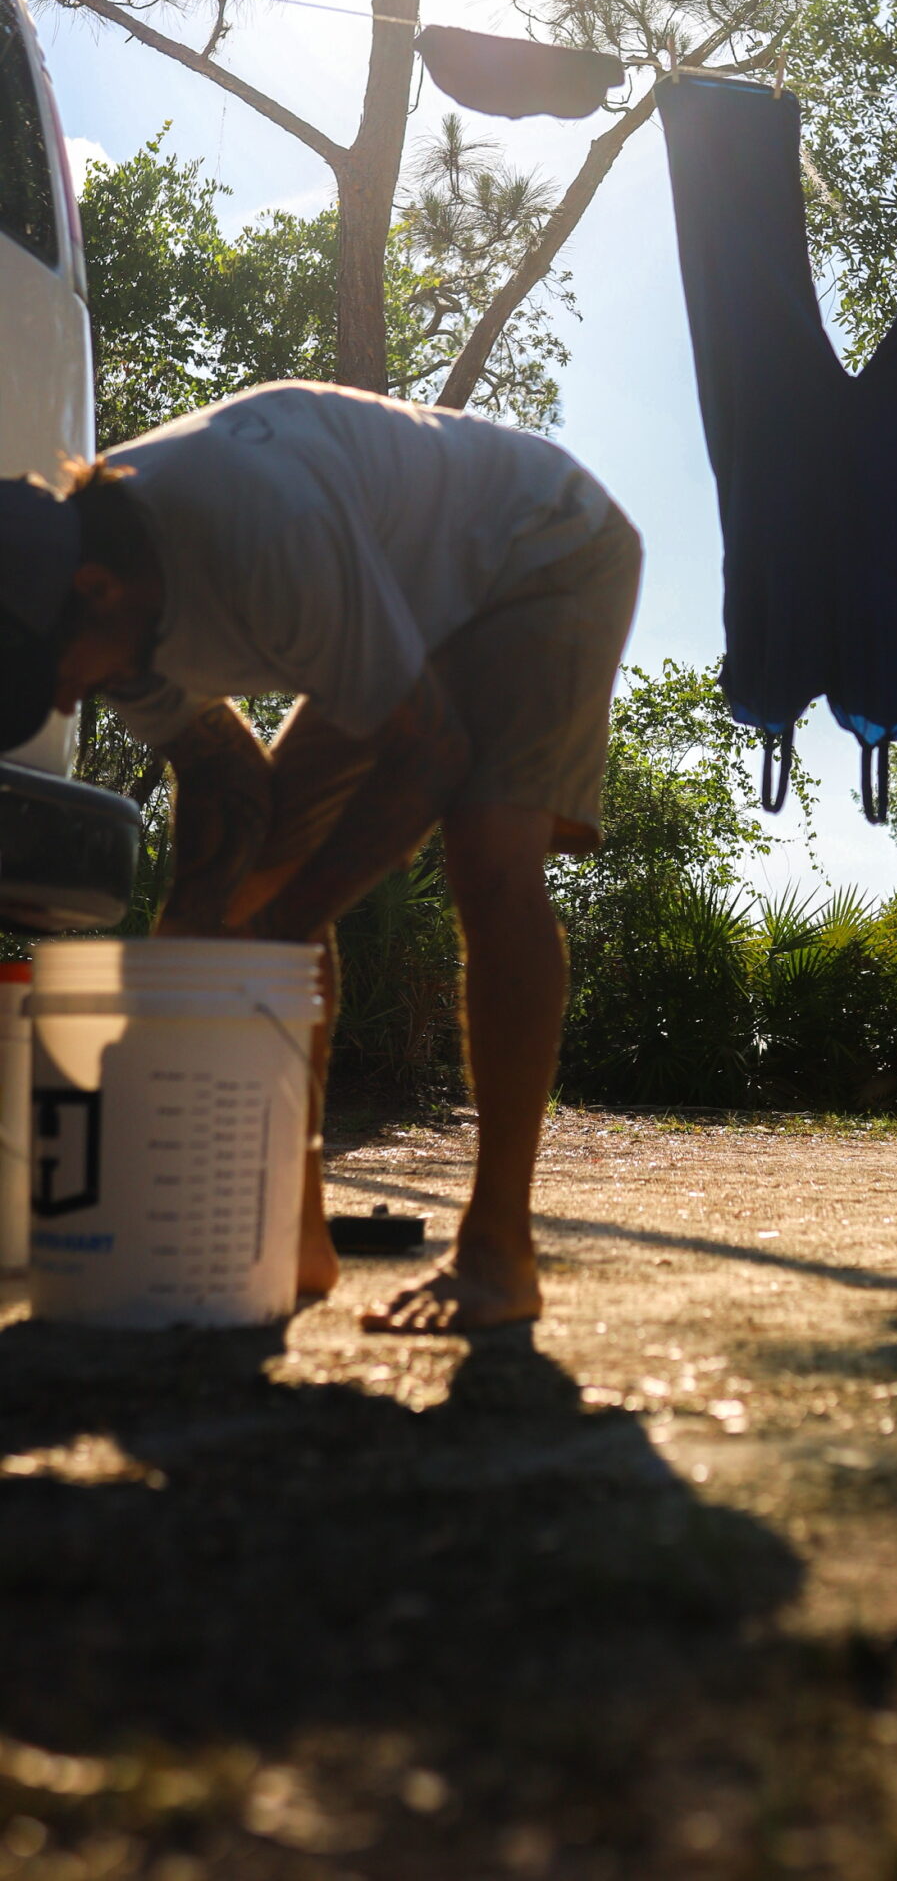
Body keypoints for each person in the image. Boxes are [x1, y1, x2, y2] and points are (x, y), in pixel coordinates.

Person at [0, 382, 642, 1334]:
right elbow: (230, 796)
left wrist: (287, 928)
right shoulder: (118, 628)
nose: (61, 706)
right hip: (389, 611)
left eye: (54, 678)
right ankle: (289, 1235)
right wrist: (193, 966)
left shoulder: (258, 529)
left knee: (489, 859)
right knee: (240, 912)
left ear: (96, 591)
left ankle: (498, 1253)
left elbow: (430, 755)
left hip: (540, 548)